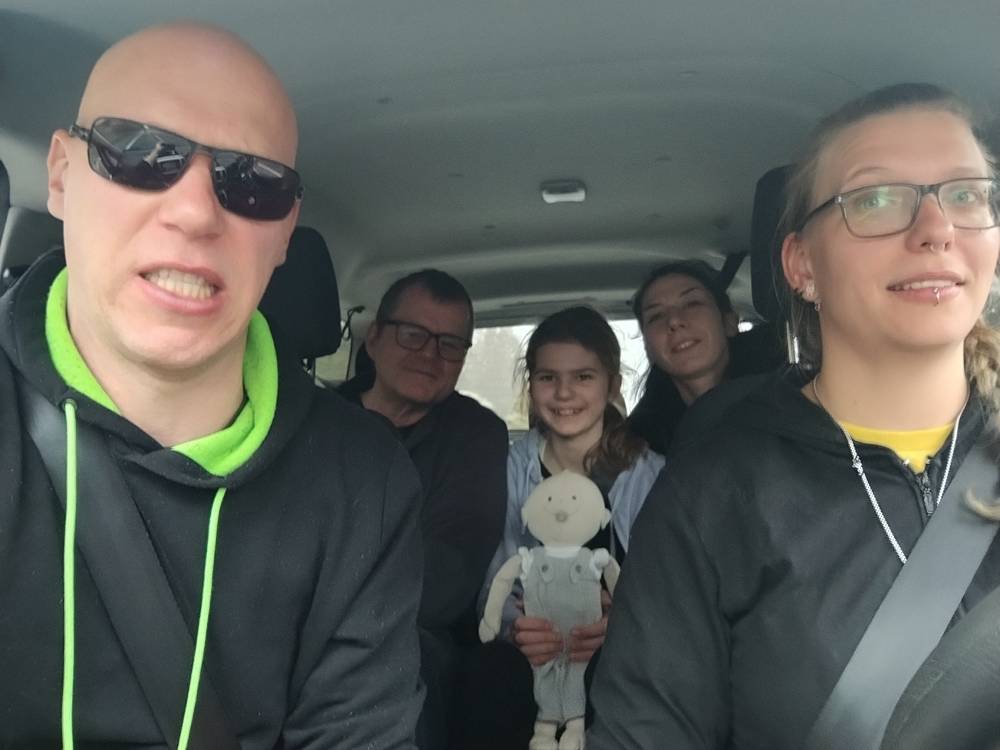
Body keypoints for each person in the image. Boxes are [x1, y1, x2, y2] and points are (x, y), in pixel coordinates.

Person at [0, 23, 423, 748]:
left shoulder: (364, 482)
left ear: (285, 231)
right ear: (62, 175)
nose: (196, 212)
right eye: (139, 153)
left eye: (252, 182)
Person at [587, 82, 1000, 749]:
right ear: (802, 265)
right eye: (875, 199)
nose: (936, 229)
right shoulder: (712, 492)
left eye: (966, 194)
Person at [454, 305, 663, 749]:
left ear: (612, 385)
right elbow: (494, 578)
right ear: (532, 386)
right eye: (548, 377)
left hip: (621, 650)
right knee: (488, 673)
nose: (564, 392)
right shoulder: (509, 468)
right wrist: (516, 627)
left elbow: (669, 589)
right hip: (532, 653)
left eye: (583, 376)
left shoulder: (649, 475)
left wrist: (621, 621)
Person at [338, 269, 508, 748]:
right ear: (374, 339)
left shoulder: (477, 435)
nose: (430, 355)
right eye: (413, 335)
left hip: (413, 645)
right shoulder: (315, 422)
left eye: (450, 345)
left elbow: (443, 585)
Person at [628, 259, 783, 455]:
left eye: (692, 304)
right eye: (656, 316)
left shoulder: (788, 402)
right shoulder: (641, 449)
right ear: (648, 347)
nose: (674, 321)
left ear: (729, 322)